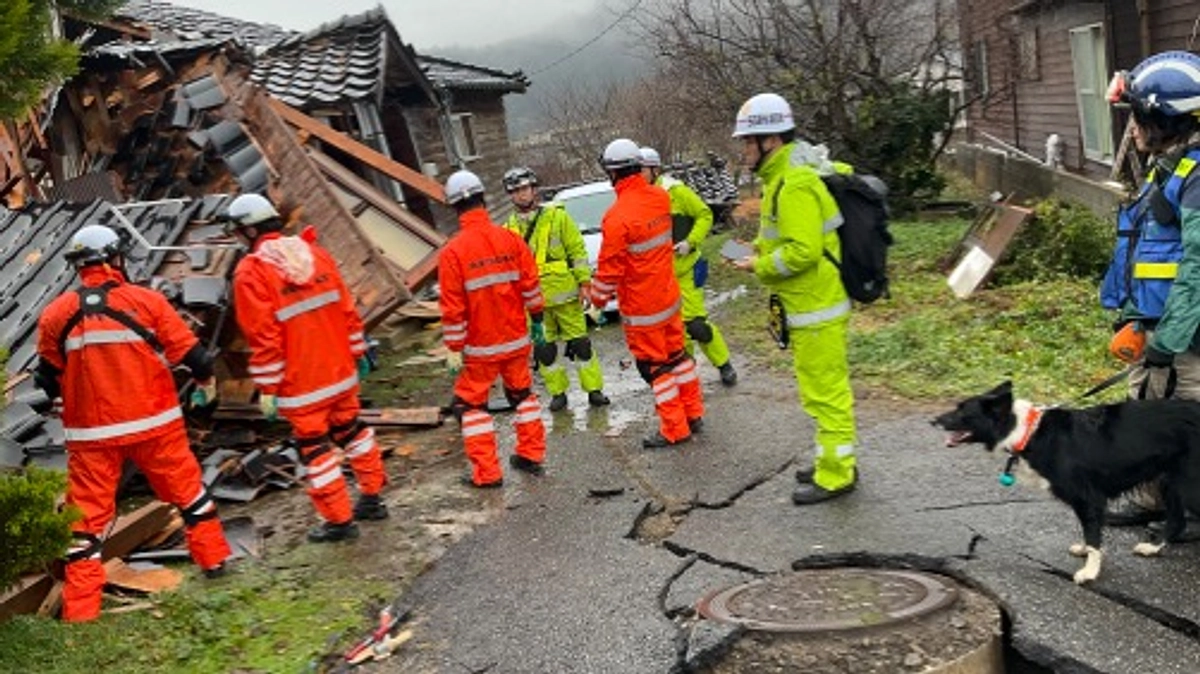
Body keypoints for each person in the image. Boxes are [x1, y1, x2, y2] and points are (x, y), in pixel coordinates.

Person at [35, 224, 231, 622]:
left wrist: (65, 396)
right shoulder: (147, 302)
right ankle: (213, 564)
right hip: (154, 425)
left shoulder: (55, 314)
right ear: (115, 258)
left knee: (85, 528)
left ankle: (82, 614)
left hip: (92, 437)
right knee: (190, 496)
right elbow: (199, 360)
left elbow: (45, 379)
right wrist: (206, 387)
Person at [226, 193, 387, 543]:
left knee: (315, 449)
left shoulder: (251, 273)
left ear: (249, 231)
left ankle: (340, 521)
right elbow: (347, 310)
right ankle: (372, 498)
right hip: (341, 372)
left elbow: (264, 338)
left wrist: (268, 389)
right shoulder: (315, 254)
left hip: (303, 385)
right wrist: (358, 353)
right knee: (353, 432)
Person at [729, 92, 859, 505]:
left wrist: (759, 267)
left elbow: (802, 252)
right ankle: (831, 461)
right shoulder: (781, 181)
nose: (745, 150)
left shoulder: (795, 184)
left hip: (816, 306)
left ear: (772, 141)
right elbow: (786, 240)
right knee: (818, 390)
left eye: (749, 142)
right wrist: (758, 252)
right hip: (808, 305)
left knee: (826, 393)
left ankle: (837, 476)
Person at [1100, 51, 1200, 530]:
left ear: (1164, 118)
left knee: (1184, 421)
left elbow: (1198, 266)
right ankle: (1156, 497)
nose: (1132, 128)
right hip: (1158, 324)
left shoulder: (1198, 179)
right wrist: (1134, 315)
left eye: (1137, 117)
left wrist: (1169, 340)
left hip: (1186, 337)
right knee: (1152, 411)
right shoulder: (1170, 168)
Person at [586, 138, 705, 448]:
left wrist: (596, 302)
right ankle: (693, 414)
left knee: (655, 367)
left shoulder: (616, 217)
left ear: (612, 173)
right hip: (668, 296)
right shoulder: (660, 198)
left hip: (642, 307)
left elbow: (609, 270)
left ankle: (674, 429)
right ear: (639, 166)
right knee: (678, 357)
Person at [439, 169, 548, 487]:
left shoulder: (453, 253)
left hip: (479, 349)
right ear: (483, 198)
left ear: (455, 207)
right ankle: (531, 455)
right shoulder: (510, 239)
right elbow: (531, 289)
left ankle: (487, 473)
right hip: (515, 340)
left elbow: (453, 308)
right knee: (523, 396)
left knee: (471, 406)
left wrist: (454, 348)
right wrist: (537, 320)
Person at [502, 166, 611, 412]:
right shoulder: (508, 230)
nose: (521, 195)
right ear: (510, 195)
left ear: (534, 189)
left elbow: (577, 251)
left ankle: (594, 390)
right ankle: (558, 393)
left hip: (566, 295)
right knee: (545, 351)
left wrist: (585, 283)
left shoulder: (558, 217)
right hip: (534, 303)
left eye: (525, 189)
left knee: (581, 345)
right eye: (516, 191)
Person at [639, 147, 738, 387]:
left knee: (695, 325)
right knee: (676, 330)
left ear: (654, 169)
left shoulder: (677, 191)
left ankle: (724, 364)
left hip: (687, 268)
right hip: (660, 277)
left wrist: (690, 242)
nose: (636, 175)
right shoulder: (638, 200)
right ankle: (688, 372)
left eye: (640, 170)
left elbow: (704, 214)